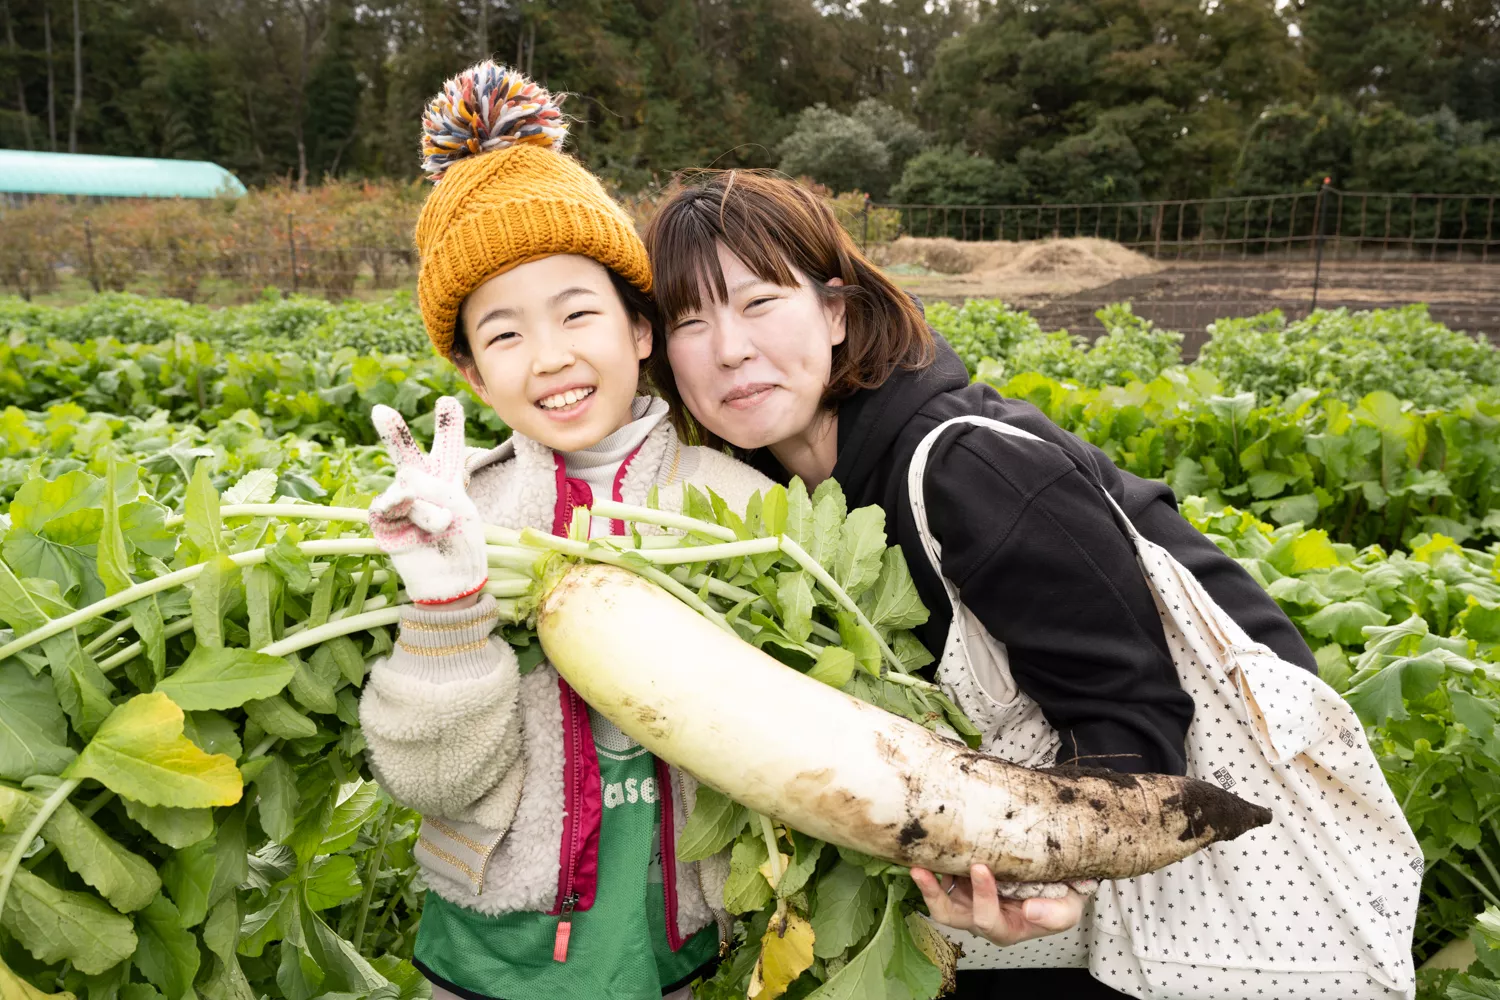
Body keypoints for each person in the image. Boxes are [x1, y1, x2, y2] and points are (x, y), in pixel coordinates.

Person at [641, 170, 1320, 998]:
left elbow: (1129, 703)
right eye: (690, 320)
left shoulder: (968, 466)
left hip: (1186, 876)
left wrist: (1058, 874)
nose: (729, 348)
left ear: (836, 311)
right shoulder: (756, 500)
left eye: (758, 303)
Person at [357, 65, 770, 1000]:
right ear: (471, 376)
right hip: (494, 947)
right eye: (502, 335)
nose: (549, 357)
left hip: (680, 932)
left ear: (638, 330)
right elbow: (429, 782)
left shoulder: (738, 508)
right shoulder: (457, 516)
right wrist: (446, 604)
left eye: (578, 313)